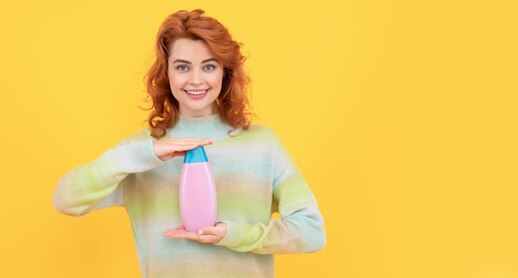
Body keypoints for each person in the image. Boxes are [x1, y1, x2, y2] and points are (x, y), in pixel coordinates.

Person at [52, 9, 326, 277]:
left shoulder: (262, 146)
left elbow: (311, 232)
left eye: (209, 66)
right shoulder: (141, 153)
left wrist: (234, 235)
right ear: (166, 73)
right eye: (183, 67)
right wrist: (141, 155)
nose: (196, 80)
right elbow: (65, 200)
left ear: (224, 73)